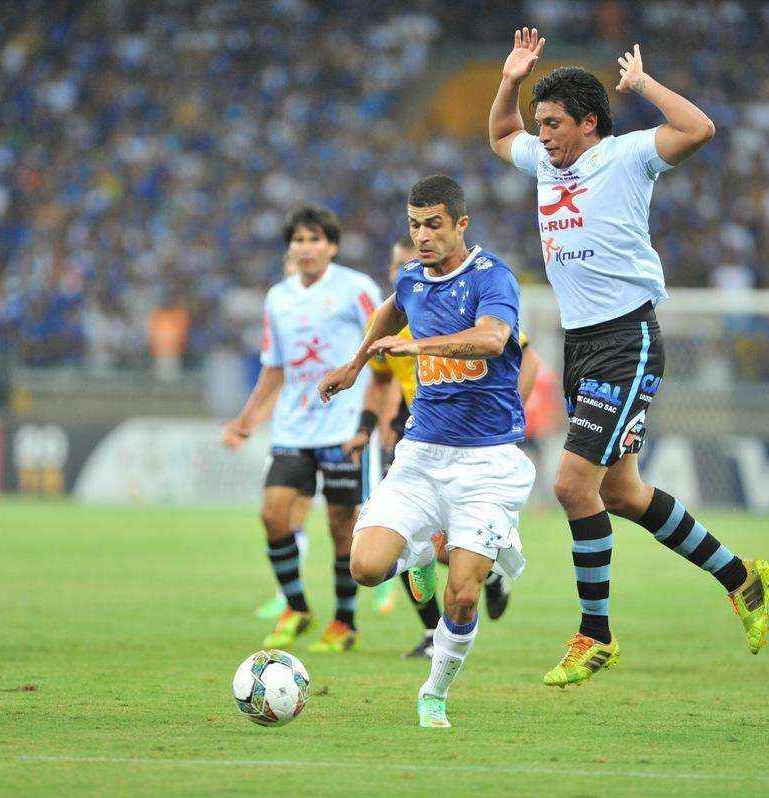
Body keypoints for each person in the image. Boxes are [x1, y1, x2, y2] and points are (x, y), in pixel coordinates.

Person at [487, 28, 769, 687]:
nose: (543, 136)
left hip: (626, 340)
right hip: (580, 344)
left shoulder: (627, 156)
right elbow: (501, 135)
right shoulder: (546, 163)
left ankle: (596, 635)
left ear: (589, 123)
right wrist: (509, 81)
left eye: (554, 124)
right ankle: (741, 577)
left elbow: (698, 128)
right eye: (541, 124)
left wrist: (643, 85)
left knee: (571, 485)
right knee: (620, 491)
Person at [319, 175, 534, 727]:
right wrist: (355, 364)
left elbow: (492, 339)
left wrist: (416, 346)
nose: (422, 236)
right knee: (366, 567)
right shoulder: (413, 278)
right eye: (414, 225)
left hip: (487, 462)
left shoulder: (493, 277)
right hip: (422, 456)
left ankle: (434, 691)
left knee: (461, 595)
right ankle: (416, 555)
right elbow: (391, 310)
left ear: (461, 224)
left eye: (433, 224)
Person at [222, 206, 388, 653]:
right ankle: (296, 607)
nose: (306, 247)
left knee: (341, 526)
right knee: (273, 515)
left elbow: (382, 346)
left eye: (315, 239)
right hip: (293, 429)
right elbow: (274, 367)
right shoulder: (278, 298)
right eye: (298, 240)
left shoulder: (357, 289)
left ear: (332, 246)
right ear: (290, 248)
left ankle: (345, 622)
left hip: (343, 426)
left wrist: (378, 411)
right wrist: (245, 420)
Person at [369, 234, 543, 659]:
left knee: (449, 547)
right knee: (399, 537)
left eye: (411, 261)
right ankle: (432, 632)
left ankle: (491, 573)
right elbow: (381, 378)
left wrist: (504, 414)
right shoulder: (393, 317)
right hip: (418, 435)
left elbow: (526, 358)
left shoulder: (463, 306)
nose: (406, 269)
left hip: (472, 439)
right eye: (397, 264)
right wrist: (375, 424)